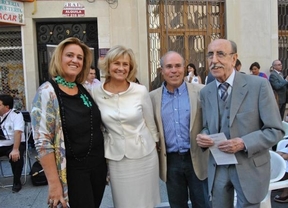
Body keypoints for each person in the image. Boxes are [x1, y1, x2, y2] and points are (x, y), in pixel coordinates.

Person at [196, 39, 284, 208]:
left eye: (220, 54)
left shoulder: (259, 85)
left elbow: (275, 130)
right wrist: (204, 136)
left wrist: (244, 143)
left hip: (249, 166)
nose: (214, 60)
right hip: (219, 167)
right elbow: (207, 126)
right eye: (210, 55)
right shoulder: (206, 91)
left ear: (234, 59)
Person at [31, 37, 107, 208]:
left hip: (97, 168)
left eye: (79, 57)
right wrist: (54, 184)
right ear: (59, 58)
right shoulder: (47, 92)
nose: (75, 60)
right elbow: (43, 142)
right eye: (70, 55)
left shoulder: (84, 89)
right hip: (72, 172)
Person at [90, 45, 160, 208]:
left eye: (125, 64)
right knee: (123, 203)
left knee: (147, 202)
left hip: (145, 155)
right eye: (116, 63)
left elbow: (150, 122)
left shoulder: (140, 90)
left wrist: (156, 143)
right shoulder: (95, 92)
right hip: (116, 158)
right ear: (108, 65)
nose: (121, 68)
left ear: (130, 68)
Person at [150, 51, 210, 208]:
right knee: (177, 205)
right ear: (162, 70)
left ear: (185, 68)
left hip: (196, 157)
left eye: (178, 66)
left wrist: (206, 134)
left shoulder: (202, 91)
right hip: (171, 161)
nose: (174, 70)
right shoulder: (152, 98)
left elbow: (211, 123)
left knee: (203, 203)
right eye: (169, 66)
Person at [0, 94, 25, 193]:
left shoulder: (16, 115)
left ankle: (16, 182)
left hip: (15, 144)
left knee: (16, 157)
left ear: (7, 107)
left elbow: (18, 132)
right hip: (1, 144)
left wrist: (15, 149)